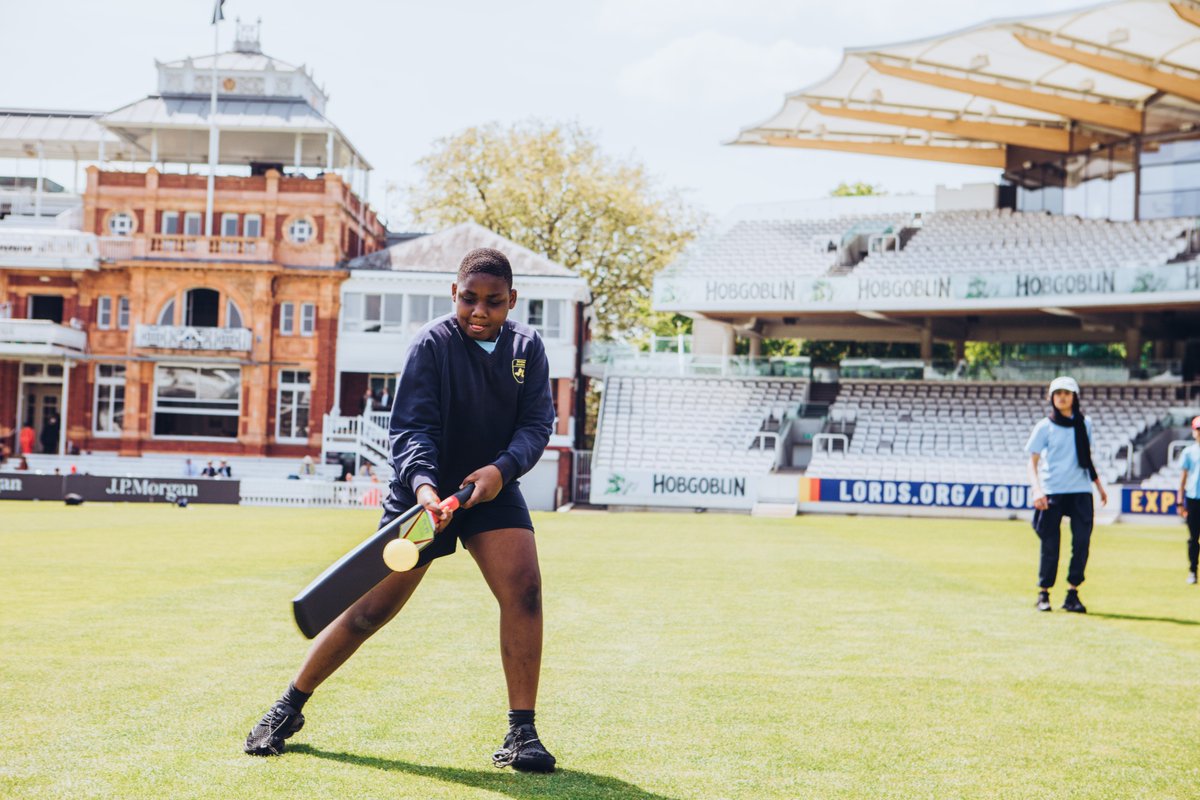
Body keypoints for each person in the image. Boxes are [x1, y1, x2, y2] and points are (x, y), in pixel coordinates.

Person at [244, 247, 557, 772]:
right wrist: (426, 489)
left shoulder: (529, 347)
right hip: (426, 498)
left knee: (524, 591)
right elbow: (412, 429)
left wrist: (500, 471)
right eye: (469, 299)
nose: (480, 311)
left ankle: (521, 733)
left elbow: (535, 425)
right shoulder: (432, 345)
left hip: (491, 488)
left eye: (494, 303)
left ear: (512, 301)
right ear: (453, 294)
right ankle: (289, 707)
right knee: (370, 612)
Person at [1026, 376, 1108, 613]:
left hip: (1081, 490)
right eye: (1058, 393)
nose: (1062, 397)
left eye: (1067, 393)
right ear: (1051, 397)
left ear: (1074, 397)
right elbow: (1032, 462)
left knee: (1082, 542)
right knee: (1050, 544)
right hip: (1053, 490)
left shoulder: (1086, 424)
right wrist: (1037, 489)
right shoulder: (1044, 426)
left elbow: (1086, 457)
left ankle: (1073, 592)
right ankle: (1044, 593)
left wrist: (1099, 485)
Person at [1177, 416, 1200, 584]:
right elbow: (1183, 479)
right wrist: (1179, 501)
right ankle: (1193, 570)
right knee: (1193, 538)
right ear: (1193, 431)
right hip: (1193, 499)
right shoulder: (1188, 452)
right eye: (1198, 429)